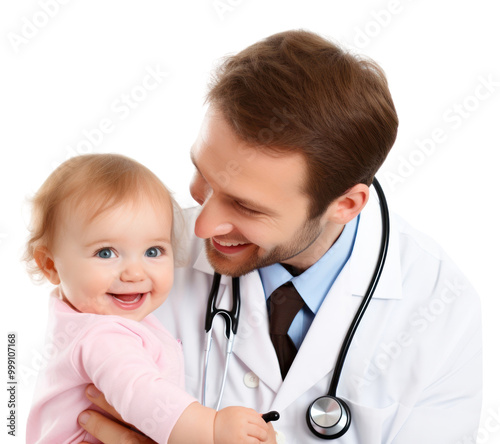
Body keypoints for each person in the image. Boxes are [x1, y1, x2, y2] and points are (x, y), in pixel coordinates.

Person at [78, 30, 482, 444]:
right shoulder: (124, 268)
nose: (199, 226)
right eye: (204, 175)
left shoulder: (440, 310)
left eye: (246, 206)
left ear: (344, 205)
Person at [24, 154, 275, 444]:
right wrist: (213, 428)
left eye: (153, 251)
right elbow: (141, 393)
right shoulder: (102, 335)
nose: (134, 273)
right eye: (106, 253)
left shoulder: (81, 318)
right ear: (51, 265)